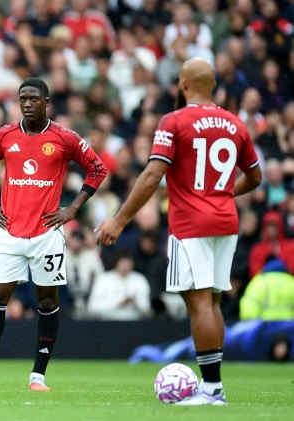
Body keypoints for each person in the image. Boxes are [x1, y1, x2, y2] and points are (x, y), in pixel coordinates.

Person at [95, 58, 263, 405]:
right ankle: (213, 385)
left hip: (191, 223)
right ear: (212, 85)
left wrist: (119, 220)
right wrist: (221, 194)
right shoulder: (235, 123)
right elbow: (255, 177)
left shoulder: (174, 121)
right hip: (225, 222)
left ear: (183, 83)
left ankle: (212, 390)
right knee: (212, 301)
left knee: (199, 302)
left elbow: (152, 175)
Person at [0, 77, 106, 392]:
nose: (27, 104)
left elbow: (97, 169)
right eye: (23, 98)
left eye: (34, 99)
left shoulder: (64, 137)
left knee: (47, 301)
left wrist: (73, 209)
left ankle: (38, 377)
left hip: (47, 233)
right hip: (9, 231)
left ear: (46, 102)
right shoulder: (5, 135)